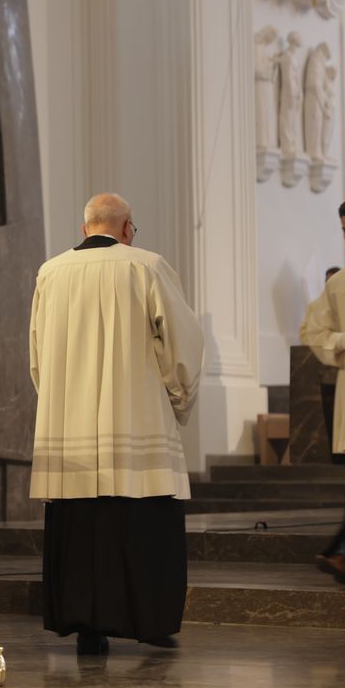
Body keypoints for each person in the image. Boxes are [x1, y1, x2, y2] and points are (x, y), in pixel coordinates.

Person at [29, 193, 204, 655]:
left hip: (69, 427)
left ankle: (86, 625)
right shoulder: (147, 266)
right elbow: (181, 343)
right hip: (136, 415)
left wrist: (60, 407)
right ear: (127, 227)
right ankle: (150, 622)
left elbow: (38, 354)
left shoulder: (51, 272)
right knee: (142, 524)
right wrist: (178, 397)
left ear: (84, 227)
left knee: (82, 527)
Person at [301, 195, 345, 587]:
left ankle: (343, 554)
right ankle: (344, 554)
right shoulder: (340, 284)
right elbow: (313, 331)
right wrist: (342, 340)